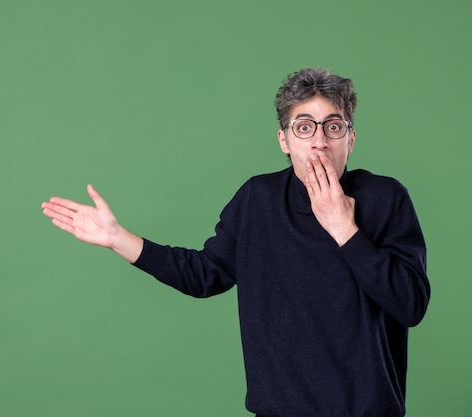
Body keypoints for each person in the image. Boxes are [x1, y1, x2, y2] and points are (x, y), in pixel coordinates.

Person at [41, 67, 430, 417]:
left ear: (351, 138)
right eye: (304, 126)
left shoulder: (385, 198)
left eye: (333, 126)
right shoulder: (257, 200)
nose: (319, 141)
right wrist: (116, 238)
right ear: (284, 140)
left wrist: (344, 229)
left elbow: (410, 305)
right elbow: (204, 274)